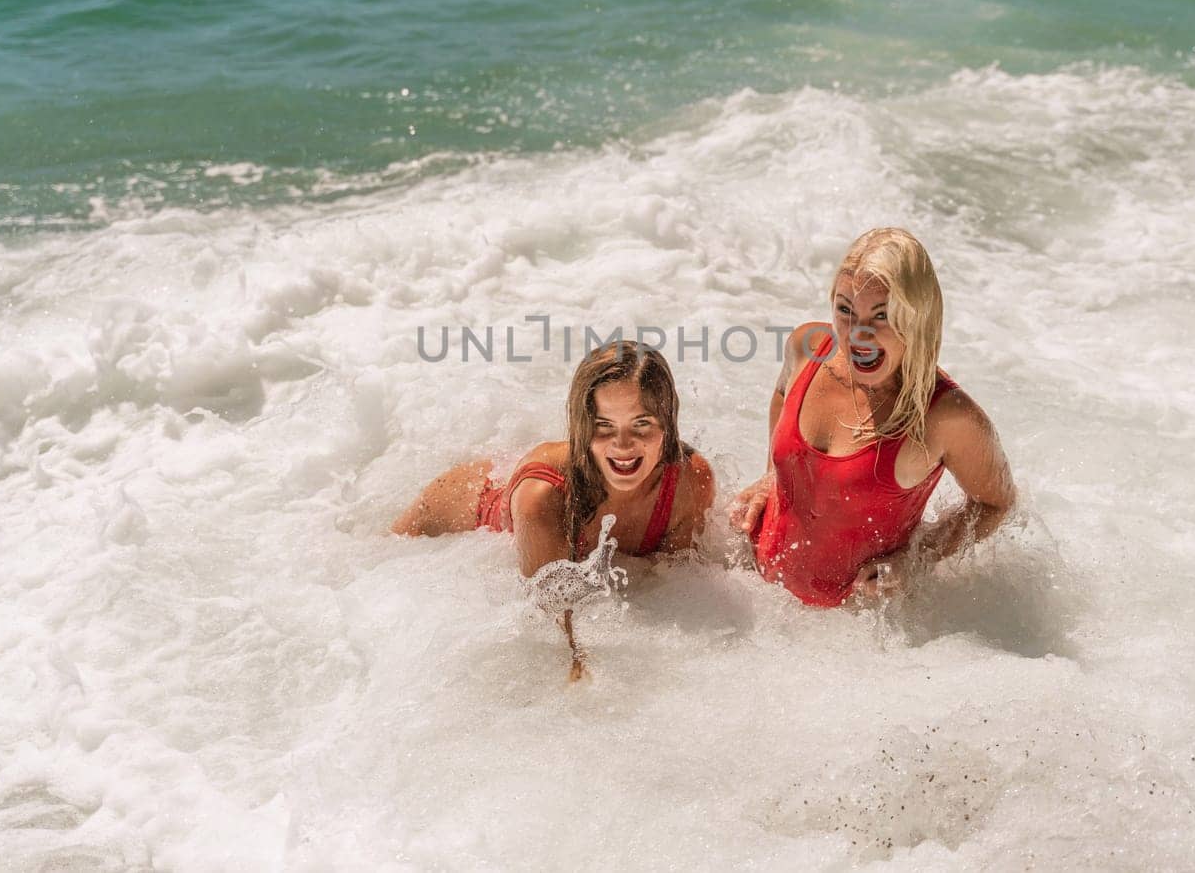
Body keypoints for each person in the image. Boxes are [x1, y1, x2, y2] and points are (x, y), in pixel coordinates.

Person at [730, 227, 1015, 607]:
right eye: (845, 310)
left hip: (850, 633)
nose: (858, 334)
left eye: (881, 316)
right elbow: (783, 394)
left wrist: (918, 558)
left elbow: (996, 503)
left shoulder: (946, 417)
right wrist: (771, 477)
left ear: (918, 317)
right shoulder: (808, 348)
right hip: (753, 598)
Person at [394, 341, 715, 580]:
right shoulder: (543, 497)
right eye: (604, 425)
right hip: (460, 507)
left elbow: (674, 591)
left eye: (641, 424)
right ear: (581, 426)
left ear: (668, 424)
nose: (623, 446)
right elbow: (553, 621)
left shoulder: (689, 481)